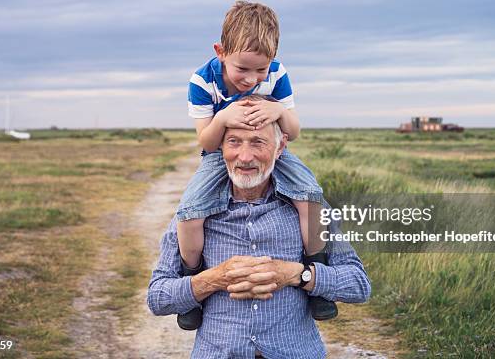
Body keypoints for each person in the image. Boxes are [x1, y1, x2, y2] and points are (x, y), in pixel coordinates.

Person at [147, 119, 372, 358]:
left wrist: (299, 274)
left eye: (258, 143)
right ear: (220, 147)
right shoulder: (193, 214)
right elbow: (158, 297)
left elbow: (358, 285)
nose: (245, 157)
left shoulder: (310, 209)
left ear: (280, 147)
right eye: (234, 142)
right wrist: (213, 279)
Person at [176, 0, 334, 330]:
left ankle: (317, 275)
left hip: (273, 148)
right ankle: (192, 284)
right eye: (242, 69)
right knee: (190, 211)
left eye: (260, 69)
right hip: (220, 154)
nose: (252, 79)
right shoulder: (203, 82)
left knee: (312, 197)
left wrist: (279, 112)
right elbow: (205, 141)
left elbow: (294, 131)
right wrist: (223, 117)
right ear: (220, 51)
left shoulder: (278, 74)